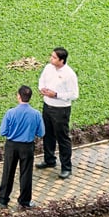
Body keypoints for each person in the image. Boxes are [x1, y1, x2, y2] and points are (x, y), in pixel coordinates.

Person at [0, 85, 45, 211]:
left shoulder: (10, 113)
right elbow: (41, 133)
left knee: (8, 172)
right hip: (27, 146)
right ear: (30, 97)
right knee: (26, 174)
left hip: (11, 146)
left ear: (18, 96)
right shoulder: (36, 114)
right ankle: (24, 201)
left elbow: (3, 132)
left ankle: (3, 200)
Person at [36, 47, 79, 179]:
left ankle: (66, 167)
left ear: (61, 60)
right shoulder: (48, 68)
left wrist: (56, 94)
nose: (51, 59)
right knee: (47, 134)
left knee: (62, 138)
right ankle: (49, 160)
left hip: (61, 109)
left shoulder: (69, 74)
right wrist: (42, 89)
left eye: (54, 57)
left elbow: (74, 94)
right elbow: (41, 80)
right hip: (47, 106)